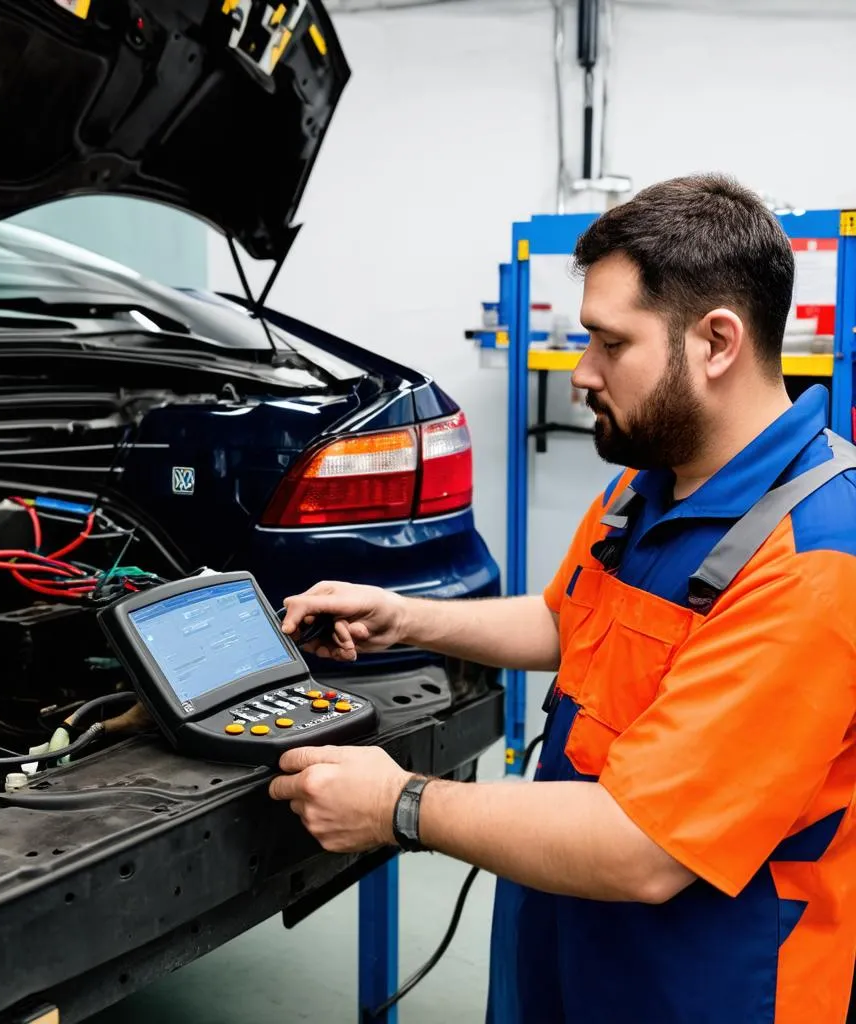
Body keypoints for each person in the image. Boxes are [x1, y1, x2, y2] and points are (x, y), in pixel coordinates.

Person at [268, 173, 856, 1023]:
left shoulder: (814, 556)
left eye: (610, 344)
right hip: (567, 943)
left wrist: (399, 805)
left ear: (717, 342)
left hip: (706, 986)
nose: (582, 374)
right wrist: (408, 617)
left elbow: (644, 848)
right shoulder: (648, 486)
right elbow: (567, 618)